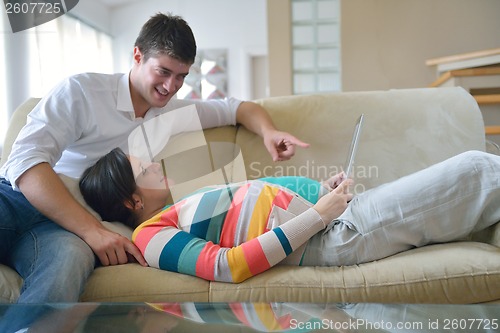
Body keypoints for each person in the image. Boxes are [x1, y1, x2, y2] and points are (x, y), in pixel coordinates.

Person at [0, 12, 308, 306]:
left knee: (67, 264)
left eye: (181, 76)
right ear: (137, 56)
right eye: (163, 71)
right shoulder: (83, 91)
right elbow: (25, 161)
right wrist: (92, 231)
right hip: (17, 201)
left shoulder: (172, 113)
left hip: (61, 232)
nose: (171, 87)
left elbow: (237, 108)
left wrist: (268, 132)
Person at [79, 148, 500, 283]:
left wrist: (323, 194)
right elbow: (228, 267)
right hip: (332, 235)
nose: (154, 164)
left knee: (475, 186)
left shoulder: (177, 207)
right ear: (132, 200)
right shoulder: (151, 237)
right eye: (144, 169)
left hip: (335, 219)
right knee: (475, 170)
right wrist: (318, 215)